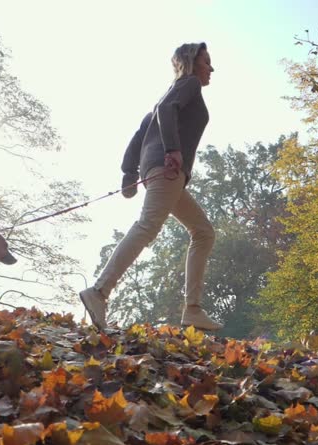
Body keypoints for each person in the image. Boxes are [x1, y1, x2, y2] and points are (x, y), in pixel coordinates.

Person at [80, 42, 222, 331]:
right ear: (192, 62)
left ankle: (192, 309)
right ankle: (99, 292)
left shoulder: (167, 95)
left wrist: (128, 174)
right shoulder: (189, 85)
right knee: (147, 226)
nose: (211, 68)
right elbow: (165, 111)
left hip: (166, 172)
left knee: (203, 232)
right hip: (169, 168)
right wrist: (172, 150)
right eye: (207, 62)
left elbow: (139, 133)